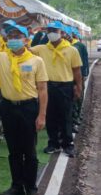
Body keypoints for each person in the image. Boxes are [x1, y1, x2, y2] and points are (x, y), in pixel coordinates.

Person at [0, 16, 48, 195]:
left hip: (28, 108)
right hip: (8, 107)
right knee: (13, 150)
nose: (13, 39)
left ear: (26, 40)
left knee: (30, 152)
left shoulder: (36, 61)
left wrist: (42, 115)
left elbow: (42, 89)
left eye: (17, 36)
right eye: (10, 36)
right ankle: (16, 185)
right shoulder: (1, 57)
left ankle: (31, 188)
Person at [30, 21, 82, 157]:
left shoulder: (72, 50)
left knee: (66, 116)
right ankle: (53, 143)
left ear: (62, 33)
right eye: (49, 31)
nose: (51, 33)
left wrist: (78, 87)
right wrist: (36, 32)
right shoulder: (41, 49)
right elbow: (26, 50)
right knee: (50, 115)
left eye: (55, 30)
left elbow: (77, 71)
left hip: (65, 86)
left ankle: (67, 144)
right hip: (48, 86)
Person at [70, 27, 89, 132]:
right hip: (70, 76)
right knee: (75, 98)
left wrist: (85, 73)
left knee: (78, 96)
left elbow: (84, 60)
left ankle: (76, 116)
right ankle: (75, 117)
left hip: (78, 75)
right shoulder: (71, 46)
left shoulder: (78, 46)